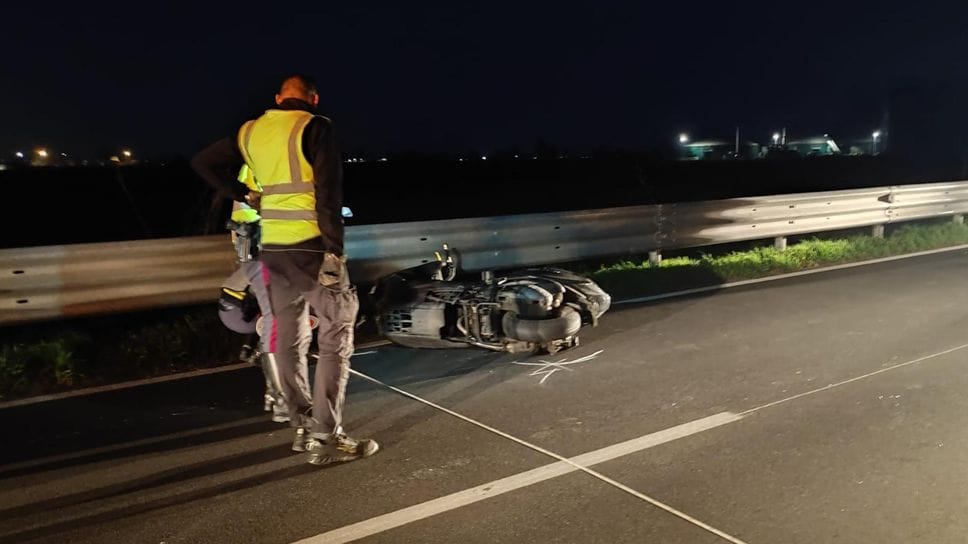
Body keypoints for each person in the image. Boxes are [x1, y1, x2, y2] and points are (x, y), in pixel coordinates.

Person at [192, 73, 378, 466]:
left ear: (278, 98)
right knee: (336, 335)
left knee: (287, 338)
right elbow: (329, 194)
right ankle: (328, 434)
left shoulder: (251, 131)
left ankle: (302, 427)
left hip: (272, 251)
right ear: (314, 98)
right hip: (311, 247)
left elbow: (203, 162)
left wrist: (242, 195)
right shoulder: (316, 127)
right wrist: (335, 252)